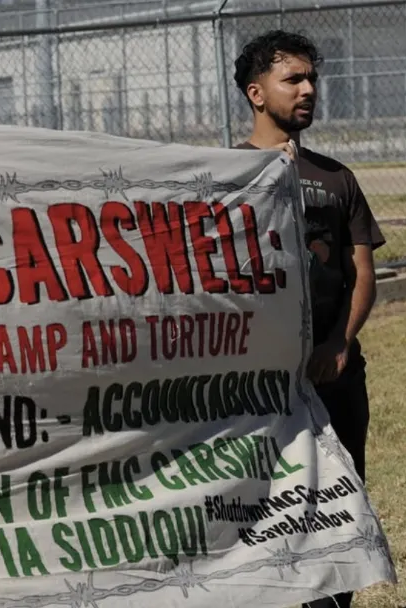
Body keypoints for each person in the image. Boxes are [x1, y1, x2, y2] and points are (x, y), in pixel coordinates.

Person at [233, 30, 385, 608]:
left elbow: (361, 273)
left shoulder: (337, 177)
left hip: (335, 375)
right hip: (257, 386)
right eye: (292, 79)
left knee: (341, 506)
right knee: (263, 506)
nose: (308, 90)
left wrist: (338, 343)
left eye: (311, 79)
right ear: (255, 92)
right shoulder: (222, 174)